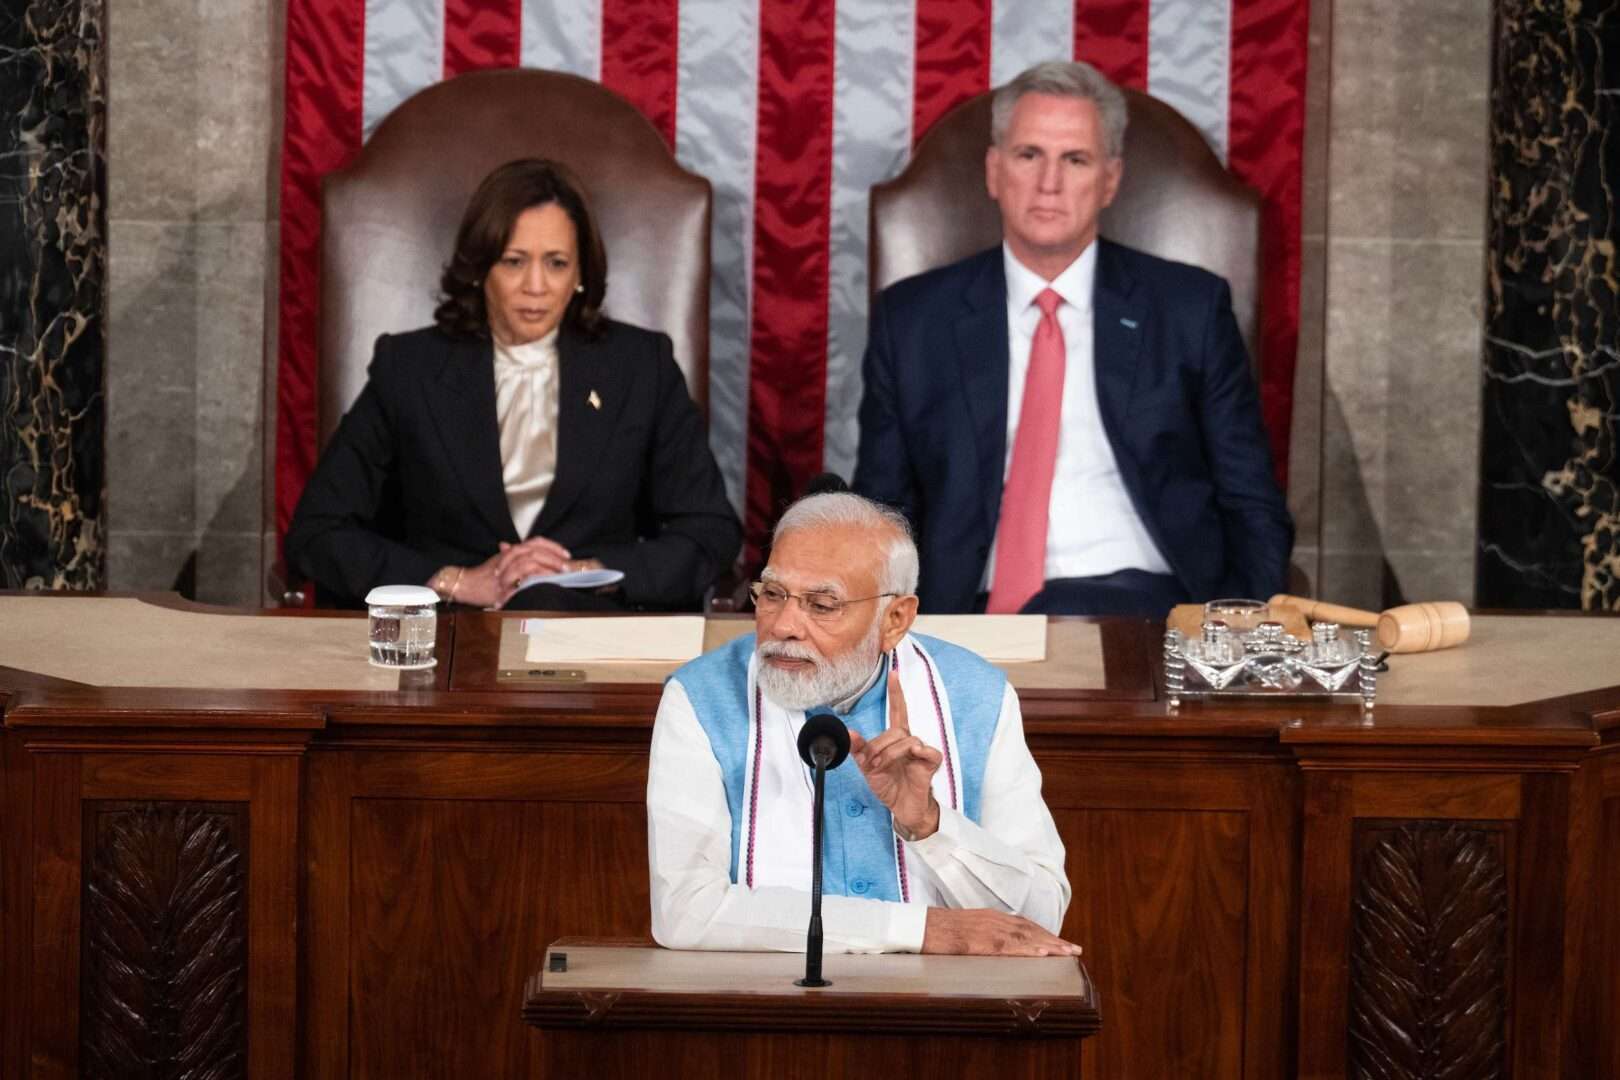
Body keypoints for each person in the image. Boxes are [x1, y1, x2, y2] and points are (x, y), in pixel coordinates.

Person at [853, 60, 1292, 616]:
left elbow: (1250, 500)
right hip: (968, 613)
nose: (1049, 183)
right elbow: (879, 510)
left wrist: (1238, 633)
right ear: (994, 171)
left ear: (1110, 180)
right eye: (1029, 154)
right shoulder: (913, 320)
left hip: (1149, 610)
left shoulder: (1190, 310)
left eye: (1075, 159)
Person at [285, 159, 741, 610]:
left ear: (581, 273)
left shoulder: (642, 366)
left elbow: (710, 531)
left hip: (593, 639)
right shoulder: (409, 368)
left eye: (557, 263)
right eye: (514, 261)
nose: (536, 286)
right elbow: (319, 531)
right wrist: (455, 582)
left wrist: (583, 573)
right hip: (447, 640)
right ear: (481, 266)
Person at [647, 491, 1077, 955]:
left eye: (821, 604)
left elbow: (1039, 919)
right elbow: (684, 912)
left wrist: (930, 825)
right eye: (772, 594)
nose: (783, 625)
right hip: (769, 1011)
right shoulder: (702, 698)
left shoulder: (976, 697)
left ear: (894, 619)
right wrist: (920, 930)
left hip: (944, 1011)